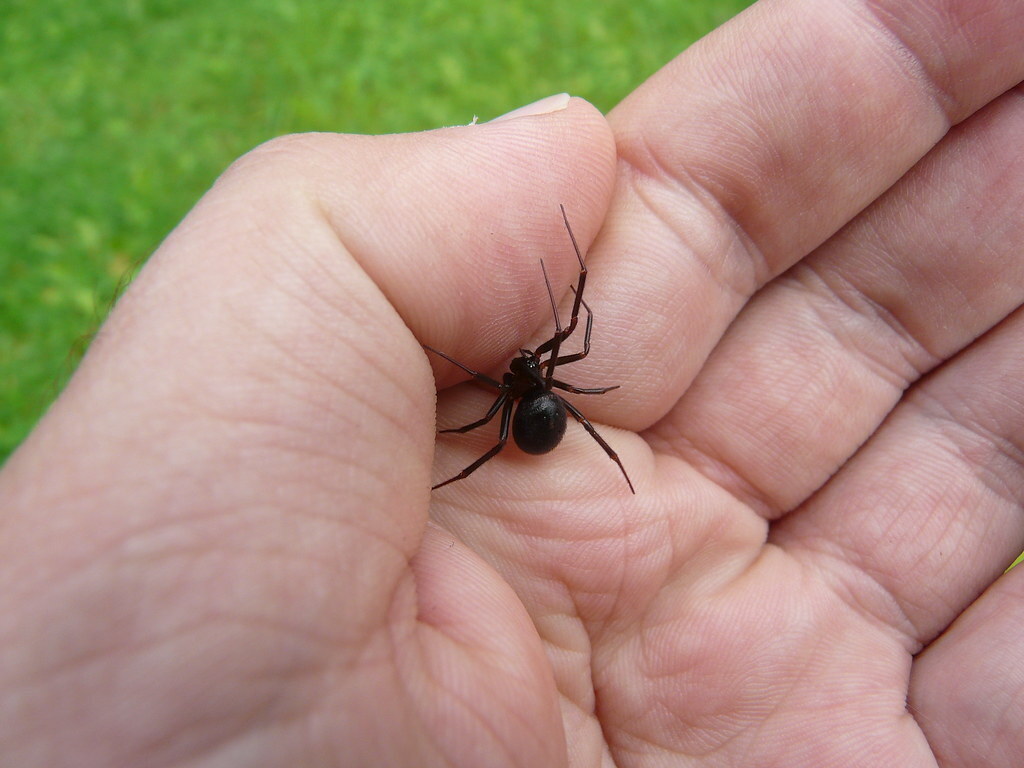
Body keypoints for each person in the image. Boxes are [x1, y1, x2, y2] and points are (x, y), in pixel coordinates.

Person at [2, 1, 1022, 765]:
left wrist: (513, 368)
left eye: (533, 368)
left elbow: (556, 354)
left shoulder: (527, 386)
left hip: (537, 430)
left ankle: (493, 462)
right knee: (524, 419)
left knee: (514, 420)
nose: (532, 366)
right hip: (541, 437)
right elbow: (557, 363)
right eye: (532, 367)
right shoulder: (540, 386)